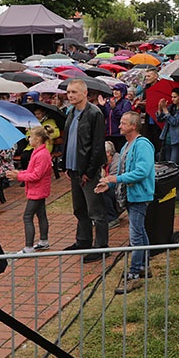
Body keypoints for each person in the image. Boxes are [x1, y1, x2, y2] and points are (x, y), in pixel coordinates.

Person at [96, 111, 155, 293]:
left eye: (123, 123)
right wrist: (110, 186)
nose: (119, 126)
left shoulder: (142, 145)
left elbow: (142, 171)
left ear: (133, 126)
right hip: (131, 196)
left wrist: (115, 180)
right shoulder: (126, 146)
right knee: (140, 231)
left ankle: (134, 274)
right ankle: (145, 266)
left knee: (135, 236)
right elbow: (124, 173)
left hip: (139, 196)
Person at [61, 78, 108, 263]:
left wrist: (89, 171)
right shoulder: (71, 112)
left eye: (74, 92)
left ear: (84, 93)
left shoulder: (94, 113)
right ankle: (83, 240)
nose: (70, 95)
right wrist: (65, 164)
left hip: (88, 171)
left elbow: (97, 146)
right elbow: (68, 140)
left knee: (96, 210)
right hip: (74, 169)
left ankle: (101, 247)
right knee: (79, 208)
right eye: (69, 92)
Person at [7, 126, 52, 254]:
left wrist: (19, 176)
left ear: (37, 139)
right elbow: (33, 171)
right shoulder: (38, 152)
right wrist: (20, 173)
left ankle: (29, 247)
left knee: (28, 216)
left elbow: (36, 175)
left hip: (37, 190)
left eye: (31, 137)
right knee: (41, 214)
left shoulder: (42, 154)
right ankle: (43, 241)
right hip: (38, 189)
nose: (29, 139)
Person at [156, 87, 179, 164]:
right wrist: (160, 110)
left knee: (174, 164)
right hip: (166, 138)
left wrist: (165, 110)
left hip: (176, 140)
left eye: (175, 97)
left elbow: (175, 122)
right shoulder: (171, 108)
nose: (172, 99)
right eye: (172, 97)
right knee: (166, 163)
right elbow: (160, 119)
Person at [103, 84, 132, 153]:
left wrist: (114, 108)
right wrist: (102, 106)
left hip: (119, 134)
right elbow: (105, 114)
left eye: (117, 90)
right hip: (109, 133)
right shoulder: (110, 101)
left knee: (119, 153)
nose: (115, 92)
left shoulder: (126, 103)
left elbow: (124, 117)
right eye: (114, 90)